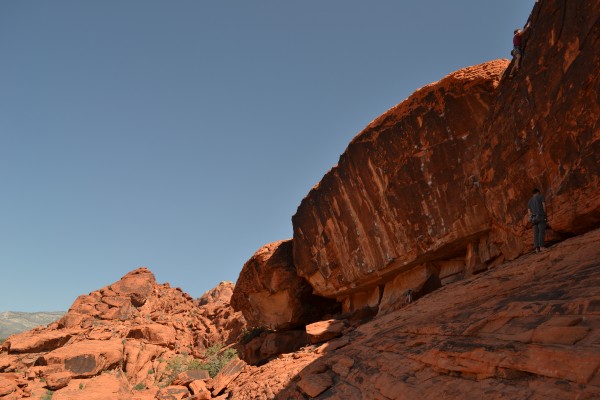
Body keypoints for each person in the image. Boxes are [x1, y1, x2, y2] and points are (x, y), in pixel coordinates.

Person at [527, 188, 547, 252]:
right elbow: (544, 205)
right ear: (538, 192)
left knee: (536, 233)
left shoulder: (529, 201)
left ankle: (536, 248)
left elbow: (529, 211)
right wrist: (544, 213)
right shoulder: (540, 197)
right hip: (540, 216)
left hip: (533, 218)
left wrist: (531, 217)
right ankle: (541, 247)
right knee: (541, 231)